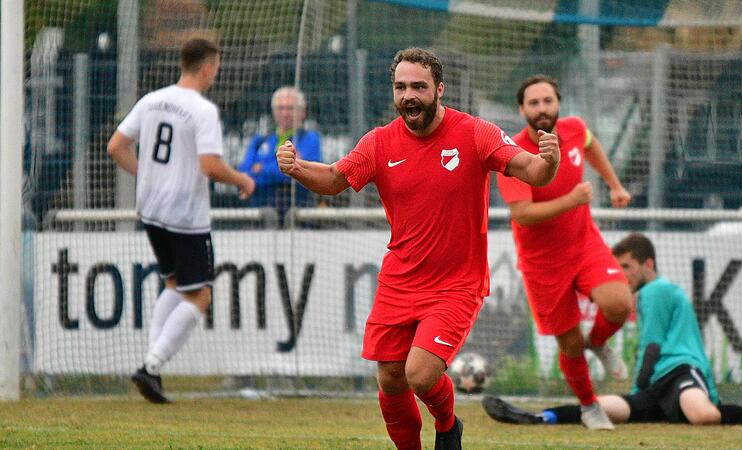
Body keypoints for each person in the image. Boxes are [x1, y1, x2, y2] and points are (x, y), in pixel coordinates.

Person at [276, 47, 560, 450]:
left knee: (421, 374)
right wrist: (296, 167)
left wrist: (548, 162)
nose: (409, 95)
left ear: (439, 89)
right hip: (399, 281)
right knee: (390, 380)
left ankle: (448, 425)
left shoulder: (475, 133)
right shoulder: (379, 142)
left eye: (419, 87)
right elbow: (336, 178)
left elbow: (531, 169)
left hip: (456, 285)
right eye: (401, 87)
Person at [482, 232, 742, 426]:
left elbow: (653, 347)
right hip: (658, 382)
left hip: (679, 372)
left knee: (704, 416)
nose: (621, 274)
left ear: (648, 264)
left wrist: (639, 388)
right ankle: (540, 417)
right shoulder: (648, 294)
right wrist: (640, 396)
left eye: (626, 267)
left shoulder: (655, 291)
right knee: (608, 408)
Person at [107, 38, 255, 403]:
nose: (215, 74)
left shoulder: (151, 100)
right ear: (207, 67)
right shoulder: (202, 111)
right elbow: (209, 165)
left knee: (174, 284)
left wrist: (146, 177)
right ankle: (151, 366)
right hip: (185, 214)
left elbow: (115, 147)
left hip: (151, 208)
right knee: (200, 295)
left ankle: (152, 371)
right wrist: (241, 179)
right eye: (216, 67)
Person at [495, 74, 634, 430]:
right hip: (542, 264)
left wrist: (614, 185)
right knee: (570, 344)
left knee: (619, 304)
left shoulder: (574, 128)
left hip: (584, 243)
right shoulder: (511, 155)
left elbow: (591, 146)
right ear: (521, 109)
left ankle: (599, 343)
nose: (542, 109)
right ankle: (590, 407)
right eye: (534, 103)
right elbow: (522, 214)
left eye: (548, 101)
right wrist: (571, 200)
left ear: (559, 103)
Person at [238, 86, 321, 225]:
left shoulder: (310, 139)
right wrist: (285, 167)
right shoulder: (259, 141)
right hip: (262, 214)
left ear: (302, 112)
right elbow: (246, 172)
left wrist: (261, 169)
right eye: (281, 108)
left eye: (290, 108)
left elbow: (308, 172)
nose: (285, 113)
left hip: (297, 212)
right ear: (274, 111)